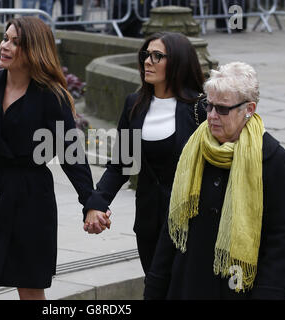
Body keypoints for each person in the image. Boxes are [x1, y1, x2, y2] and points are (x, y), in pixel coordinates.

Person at [0, 16, 110, 300]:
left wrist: (91, 203)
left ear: (33, 50)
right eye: (5, 38)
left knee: (30, 290)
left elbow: (72, 155)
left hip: (32, 201)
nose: (5, 45)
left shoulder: (50, 96)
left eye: (15, 42)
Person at [144, 62, 285, 299]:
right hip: (187, 285)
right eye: (209, 105)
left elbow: (282, 241)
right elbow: (173, 225)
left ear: (249, 108)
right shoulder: (194, 150)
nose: (212, 116)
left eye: (223, 109)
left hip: (238, 290)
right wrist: (155, 287)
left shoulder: (273, 159)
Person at [83, 32, 207, 275]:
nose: (147, 61)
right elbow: (122, 164)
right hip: (149, 223)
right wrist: (96, 203)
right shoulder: (135, 104)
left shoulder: (200, 108)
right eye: (145, 55)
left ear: (178, 62)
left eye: (157, 56)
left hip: (191, 224)